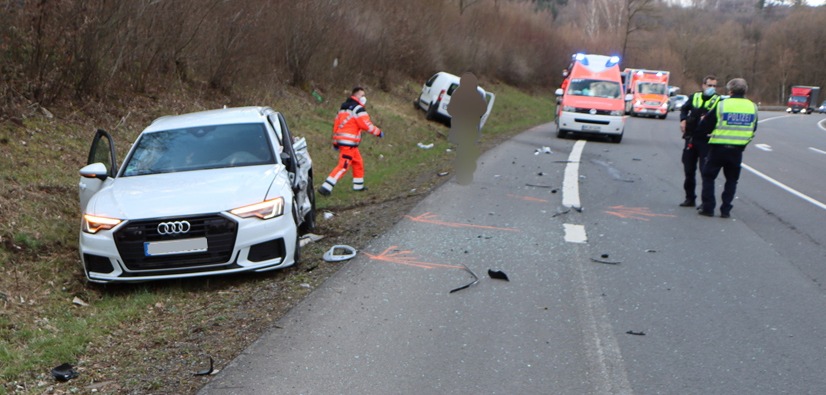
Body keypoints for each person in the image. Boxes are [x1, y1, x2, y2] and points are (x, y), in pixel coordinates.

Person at [697, 78, 758, 218]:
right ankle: (725, 210)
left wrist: (703, 134)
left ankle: (708, 207)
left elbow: (706, 124)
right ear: (745, 91)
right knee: (731, 180)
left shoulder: (722, 105)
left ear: (730, 90)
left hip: (718, 148)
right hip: (737, 150)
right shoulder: (752, 107)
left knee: (708, 177)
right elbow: (754, 128)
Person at [318, 87, 383, 196]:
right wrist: (378, 132)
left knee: (358, 162)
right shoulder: (358, 109)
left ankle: (358, 186)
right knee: (343, 166)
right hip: (349, 143)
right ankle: (326, 187)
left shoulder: (343, 109)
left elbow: (336, 126)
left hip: (344, 141)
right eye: (362, 95)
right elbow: (366, 125)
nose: (364, 98)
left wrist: (335, 142)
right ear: (356, 96)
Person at [678, 75, 721, 208]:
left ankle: (705, 202)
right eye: (709, 85)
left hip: (706, 141)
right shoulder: (695, 97)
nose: (712, 88)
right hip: (691, 138)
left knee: (705, 172)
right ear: (703, 85)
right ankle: (690, 198)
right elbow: (684, 109)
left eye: (714, 86)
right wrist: (683, 119)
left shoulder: (718, 100)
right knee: (689, 170)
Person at [446, 72, 488, 185]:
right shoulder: (479, 94)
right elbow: (483, 110)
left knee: (461, 151)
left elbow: (450, 109)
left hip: (460, 126)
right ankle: (468, 170)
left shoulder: (457, 92)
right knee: (468, 148)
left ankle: (462, 173)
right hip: (471, 127)